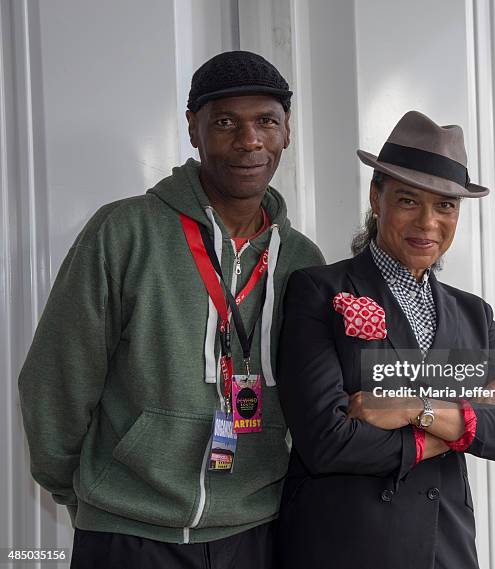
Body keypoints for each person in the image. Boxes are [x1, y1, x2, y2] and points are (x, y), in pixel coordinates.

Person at [18, 50, 324, 569]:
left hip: (254, 533)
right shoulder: (125, 233)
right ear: (193, 128)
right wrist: (89, 495)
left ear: (287, 132)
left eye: (266, 122)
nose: (249, 141)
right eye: (225, 122)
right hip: (127, 534)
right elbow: (57, 379)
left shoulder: (301, 260)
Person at [276, 111, 495, 569]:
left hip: (445, 550)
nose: (428, 222)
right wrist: (467, 418)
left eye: (445, 206)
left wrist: (410, 409)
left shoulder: (473, 313)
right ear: (375, 198)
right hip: (346, 549)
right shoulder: (319, 291)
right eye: (408, 200)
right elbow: (327, 441)